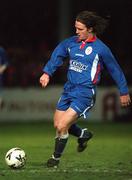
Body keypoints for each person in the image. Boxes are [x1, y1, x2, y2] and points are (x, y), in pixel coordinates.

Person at [39, 11, 131, 168]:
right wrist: (47, 73)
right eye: (75, 28)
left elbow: (115, 70)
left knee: (62, 126)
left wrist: (123, 91)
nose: (76, 31)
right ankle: (83, 134)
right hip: (69, 89)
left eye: (80, 29)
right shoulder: (71, 43)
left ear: (90, 29)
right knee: (57, 124)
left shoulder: (101, 49)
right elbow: (58, 53)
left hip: (85, 93)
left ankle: (55, 159)